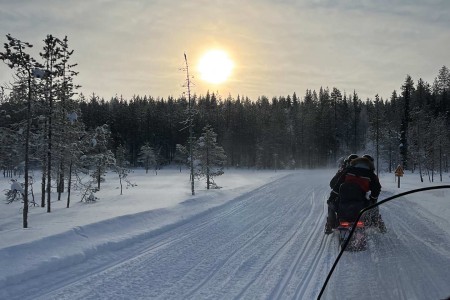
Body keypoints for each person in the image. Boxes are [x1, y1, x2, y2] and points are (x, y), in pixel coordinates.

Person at [325, 154, 386, 234]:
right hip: (360, 202)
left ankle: (330, 224)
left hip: (344, 201)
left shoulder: (348, 171)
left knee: (331, 204)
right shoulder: (370, 174)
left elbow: (336, 186)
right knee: (374, 207)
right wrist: (373, 200)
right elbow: (377, 189)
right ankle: (378, 223)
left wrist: (331, 198)